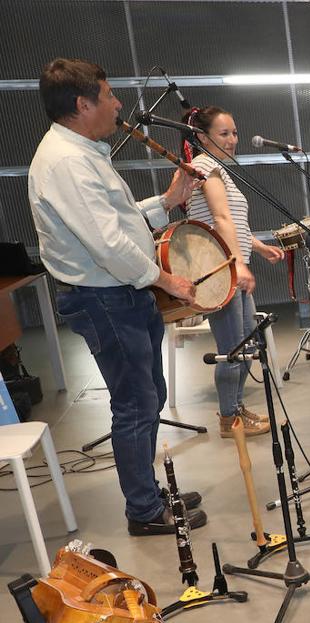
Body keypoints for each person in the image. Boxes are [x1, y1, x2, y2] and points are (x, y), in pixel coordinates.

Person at [28, 58, 207, 536]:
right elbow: (107, 246)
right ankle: (144, 511)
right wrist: (168, 282)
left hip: (120, 293)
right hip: (104, 299)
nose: (118, 103)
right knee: (134, 402)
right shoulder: (66, 162)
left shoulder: (84, 151)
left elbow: (118, 221)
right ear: (83, 104)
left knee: (149, 395)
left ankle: (146, 491)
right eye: (109, 95)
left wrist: (166, 201)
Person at [183, 106, 285, 438]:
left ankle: (237, 409)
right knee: (232, 348)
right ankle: (229, 418)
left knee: (245, 345)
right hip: (219, 271)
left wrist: (257, 247)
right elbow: (220, 221)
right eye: (224, 133)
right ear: (201, 136)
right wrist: (238, 264)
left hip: (230, 266)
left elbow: (234, 223)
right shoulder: (204, 166)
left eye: (234, 133)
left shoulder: (220, 170)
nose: (233, 140)